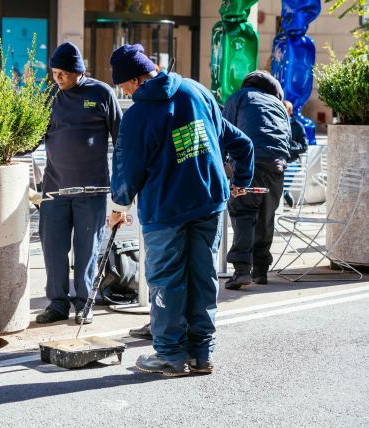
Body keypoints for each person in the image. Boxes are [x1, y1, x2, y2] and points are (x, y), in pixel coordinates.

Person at [108, 44, 254, 376]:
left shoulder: (138, 115)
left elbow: (126, 170)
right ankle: (202, 355)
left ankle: (171, 355)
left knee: (166, 280)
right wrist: (241, 178)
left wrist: (118, 206)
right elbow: (240, 142)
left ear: (131, 81)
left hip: (166, 209)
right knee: (203, 277)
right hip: (208, 201)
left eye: (123, 86)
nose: (125, 92)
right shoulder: (197, 92)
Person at [36, 42, 122, 325]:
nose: (58, 79)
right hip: (54, 188)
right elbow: (32, 138)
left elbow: (120, 139)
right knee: (53, 249)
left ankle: (84, 303)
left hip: (92, 190)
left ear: (79, 71)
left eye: (63, 73)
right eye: (54, 73)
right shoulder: (48, 96)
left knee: (87, 250)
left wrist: (122, 188)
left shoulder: (100, 94)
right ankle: (57, 303)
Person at [223, 70, 292, 289]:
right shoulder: (279, 104)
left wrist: (224, 162)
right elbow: (287, 137)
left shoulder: (241, 97)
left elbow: (224, 131)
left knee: (243, 212)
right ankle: (261, 271)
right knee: (265, 215)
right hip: (276, 166)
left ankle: (242, 271)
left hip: (250, 163)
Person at [282, 100, 309, 207]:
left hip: (292, 161)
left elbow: (304, 146)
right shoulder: (274, 123)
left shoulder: (297, 125)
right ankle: (284, 192)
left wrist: (290, 147)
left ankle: (284, 191)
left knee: (287, 168)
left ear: (289, 110)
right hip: (279, 158)